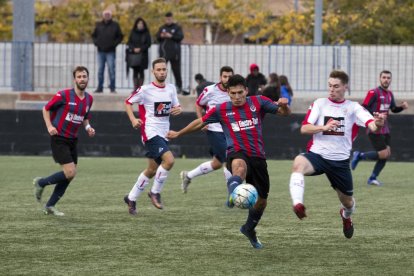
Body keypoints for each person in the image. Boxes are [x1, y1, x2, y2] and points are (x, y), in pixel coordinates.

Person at [167, 74, 290, 249]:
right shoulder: (221, 109)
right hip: (236, 152)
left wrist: (284, 106)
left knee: (261, 201)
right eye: (233, 93)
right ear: (228, 93)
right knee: (238, 167)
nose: (237, 97)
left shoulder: (259, 102)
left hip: (258, 157)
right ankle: (234, 193)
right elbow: (200, 122)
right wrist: (179, 133)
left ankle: (249, 228)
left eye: (240, 92)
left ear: (246, 90)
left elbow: (284, 113)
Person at [288, 70, 386, 239]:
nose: (331, 90)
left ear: (345, 87)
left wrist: (378, 123)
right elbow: (305, 128)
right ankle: (298, 204)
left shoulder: (353, 108)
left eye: (336, 86)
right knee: (298, 163)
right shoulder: (320, 103)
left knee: (348, 203)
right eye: (329, 86)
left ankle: (346, 216)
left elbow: (372, 126)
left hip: (339, 163)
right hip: (317, 155)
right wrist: (323, 128)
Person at [33, 66, 95, 216]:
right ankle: (40, 183)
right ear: (74, 79)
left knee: (70, 175)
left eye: (84, 76)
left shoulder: (89, 98)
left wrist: (88, 127)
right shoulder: (64, 95)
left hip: (73, 140)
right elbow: (46, 108)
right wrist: (49, 126)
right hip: (59, 138)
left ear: (88, 79)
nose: (82, 79)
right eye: (79, 77)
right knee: (70, 172)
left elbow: (84, 117)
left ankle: (50, 205)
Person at [123, 58, 182, 215]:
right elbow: (128, 102)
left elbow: (176, 106)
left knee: (152, 169)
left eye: (164, 69)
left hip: (164, 134)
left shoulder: (171, 88)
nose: (162, 72)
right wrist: (133, 119)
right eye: (159, 70)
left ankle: (131, 198)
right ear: (153, 71)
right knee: (169, 160)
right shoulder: (145, 90)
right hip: (150, 132)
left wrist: (179, 109)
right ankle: (155, 192)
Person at [180, 66, 234, 194]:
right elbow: (199, 104)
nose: (227, 79)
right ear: (220, 77)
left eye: (229, 77)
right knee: (229, 159)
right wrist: (202, 121)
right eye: (225, 76)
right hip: (214, 130)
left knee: (217, 163)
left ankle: (188, 176)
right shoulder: (210, 90)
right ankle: (232, 193)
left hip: (230, 131)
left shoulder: (234, 91)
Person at [351, 70, 409, 186]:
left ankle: (373, 178)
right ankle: (359, 155)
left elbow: (393, 109)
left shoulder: (390, 94)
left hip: (386, 129)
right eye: (384, 77)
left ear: (390, 80)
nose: (386, 79)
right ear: (380, 78)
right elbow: (363, 108)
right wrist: (374, 117)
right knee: (383, 153)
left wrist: (402, 107)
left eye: (388, 78)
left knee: (387, 154)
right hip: (375, 128)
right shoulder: (373, 92)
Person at [92, 9, 124, 93]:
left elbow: (120, 36)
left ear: (111, 16)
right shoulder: (98, 25)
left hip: (111, 51)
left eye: (108, 14)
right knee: (100, 70)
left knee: (111, 70)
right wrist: (97, 43)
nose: (107, 16)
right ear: (103, 16)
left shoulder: (115, 25)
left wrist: (114, 44)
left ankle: (112, 88)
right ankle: (100, 87)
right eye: (105, 14)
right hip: (100, 51)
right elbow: (94, 35)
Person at [156, 12, 187, 95]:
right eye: (166, 19)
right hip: (164, 54)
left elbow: (180, 37)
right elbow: (157, 37)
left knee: (176, 71)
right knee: (161, 71)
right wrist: (161, 36)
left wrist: (171, 36)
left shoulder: (177, 27)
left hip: (175, 54)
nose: (168, 20)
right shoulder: (162, 27)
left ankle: (179, 87)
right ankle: (159, 86)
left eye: (169, 19)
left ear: (172, 19)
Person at [126, 17, 152, 90]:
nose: (140, 25)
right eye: (139, 23)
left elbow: (148, 43)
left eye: (141, 23)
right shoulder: (133, 32)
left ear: (144, 25)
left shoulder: (146, 33)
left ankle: (140, 88)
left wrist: (141, 49)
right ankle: (135, 88)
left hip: (143, 55)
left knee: (141, 71)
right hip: (134, 55)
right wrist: (134, 49)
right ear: (136, 24)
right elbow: (129, 42)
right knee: (135, 71)